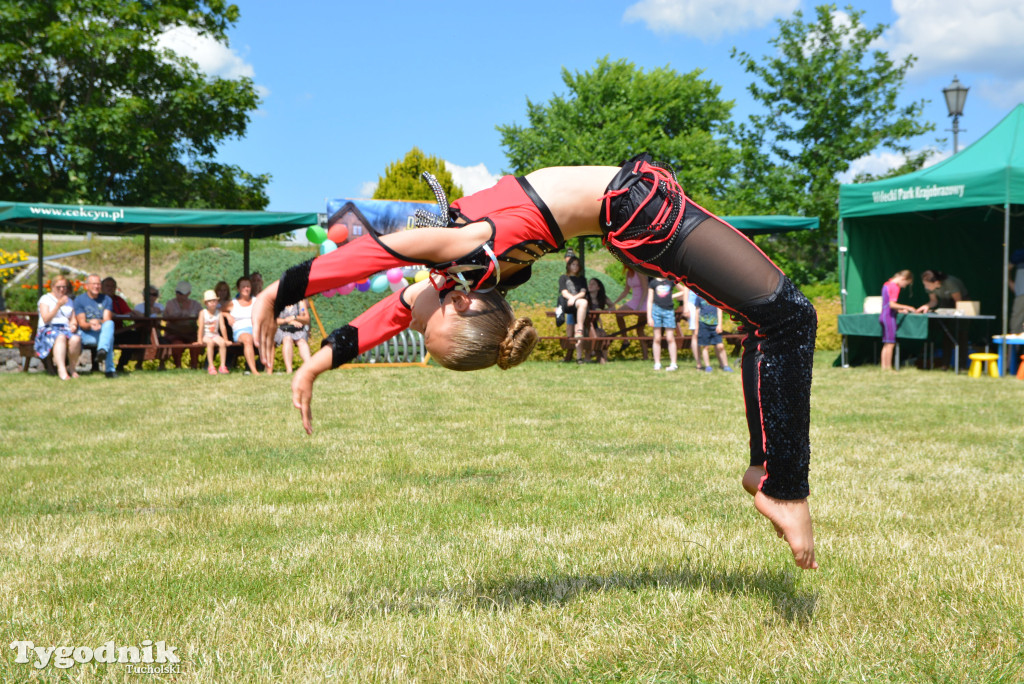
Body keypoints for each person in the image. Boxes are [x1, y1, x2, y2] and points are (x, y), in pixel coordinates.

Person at [255, 154, 819, 569]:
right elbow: (385, 263)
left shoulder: (461, 264)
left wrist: (309, 356)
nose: (414, 315)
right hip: (636, 206)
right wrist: (280, 295)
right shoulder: (472, 255)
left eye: (423, 329)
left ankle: (768, 472)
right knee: (787, 319)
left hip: (632, 204)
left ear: (456, 302)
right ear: (460, 306)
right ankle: (780, 485)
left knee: (775, 323)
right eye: (429, 330)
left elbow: (383, 295)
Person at [35, 276, 81, 379]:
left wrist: (73, 324)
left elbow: (73, 318)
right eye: (58, 287)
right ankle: (62, 369)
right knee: (60, 337)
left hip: (65, 328)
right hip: (48, 329)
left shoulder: (69, 300)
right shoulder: (45, 299)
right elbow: (46, 318)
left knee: (76, 339)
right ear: (52, 287)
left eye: (64, 287)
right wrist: (58, 305)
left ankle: (72, 368)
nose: (62, 289)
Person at [73, 273, 116, 377]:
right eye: (93, 284)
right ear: (87, 285)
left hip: (101, 332)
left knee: (110, 324)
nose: (96, 286)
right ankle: (109, 370)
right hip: (85, 334)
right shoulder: (79, 300)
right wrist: (91, 324)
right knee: (108, 338)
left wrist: (99, 322)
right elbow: (82, 323)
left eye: (98, 284)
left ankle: (102, 350)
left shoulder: (106, 299)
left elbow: (106, 319)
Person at [879, 270, 917, 371]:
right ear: (903, 279)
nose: (904, 286)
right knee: (890, 343)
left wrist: (899, 310)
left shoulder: (887, 284)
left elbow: (887, 304)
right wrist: (908, 307)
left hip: (884, 315)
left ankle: (884, 367)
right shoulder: (895, 287)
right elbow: (891, 304)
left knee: (887, 343)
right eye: (906, 284)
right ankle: (888, 368)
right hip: (889, 317)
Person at [162, 281, 202, 369]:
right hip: (174, 333)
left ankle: (194, 367)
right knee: (177, 344)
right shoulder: (170, 303)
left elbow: (203, 316)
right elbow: (165, 317)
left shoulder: (196, 304)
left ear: (188, 293)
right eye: (178, 293)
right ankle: (178, 367)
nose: (179, 295)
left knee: (195, 344)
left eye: (182, 293)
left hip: (191, 333)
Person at [225, 276, 260, 375]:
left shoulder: (256, 301)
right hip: (241, 331)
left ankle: (267, 369)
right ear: (238, 289)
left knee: (267, 339)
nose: (246, 288)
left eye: (248, 286)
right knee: (248, 339)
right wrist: (226, 314)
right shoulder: (233, 303)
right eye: (243, 286)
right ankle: (254, 370)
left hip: (255, 329)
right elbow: (217, 311)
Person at [558, 256, 590, 363]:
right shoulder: (563, 278)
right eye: (573, 264)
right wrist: (571, 298)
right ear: (568, 266)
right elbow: (563, 292)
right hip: (569, 307)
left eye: (577, 264)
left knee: (578, 332)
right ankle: (569, 356)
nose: (575, 267)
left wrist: (574, 298)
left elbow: (583, 292)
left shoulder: (582, 279)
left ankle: (579, 358)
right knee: (569, 332)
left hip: (579, 308)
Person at [646, 276, 682, 371]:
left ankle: (673, 363)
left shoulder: (670, 280)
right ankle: (657, 363)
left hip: (669, 311)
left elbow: (683, 290)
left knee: (670, 338)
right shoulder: (653, 283)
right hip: (656, 310)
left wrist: (673, 296)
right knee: (657, 338)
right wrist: (649, 317)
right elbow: (649, 300)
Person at [610, 265, 648, 349]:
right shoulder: (628, 273)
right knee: (618, 314)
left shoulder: (639, 272)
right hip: (634, 301)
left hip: (643, 301)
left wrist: (640, 306)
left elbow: (645, 289)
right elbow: (626, 291)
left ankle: (646, 356)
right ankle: (625, 339)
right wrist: (614, 303)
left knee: (639, 330)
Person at [694, 294, 734, 373]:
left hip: (715, 325)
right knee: (705, 347)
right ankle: (708, 366)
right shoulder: (699, 297)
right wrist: (696, 327)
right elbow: (697, 312)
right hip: (703, 325)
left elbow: (719, 310)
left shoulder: (714, 295)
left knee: (720, 346)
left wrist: (720, 324)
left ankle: (725, 365)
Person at [275, 299, 312, 374]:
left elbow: (306, 319)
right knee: (287, 339)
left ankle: (310, 366)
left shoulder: (300, 303)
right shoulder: (279, 303)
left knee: (302, 341)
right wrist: (288, 321)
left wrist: (295, 317)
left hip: (298, 329)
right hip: (284, 330)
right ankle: (289, 370)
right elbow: (274, 320)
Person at [198, 290, 230, 375]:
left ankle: (222, 365)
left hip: (215, 334)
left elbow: (223, 327)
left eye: (214, 301)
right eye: (209, 301)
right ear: (206, 303)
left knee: (222, 343)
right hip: (206, 335)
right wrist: (199, 340)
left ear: (217, 302)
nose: (212, 303)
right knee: (210, 343)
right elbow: (200, 327)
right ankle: (211, 366)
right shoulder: (203, 313)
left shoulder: (219, 313)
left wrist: (226, 339)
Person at [586, 278, 611, 364]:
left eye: (593, 284)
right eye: (589, 284)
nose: (590, 285)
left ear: (598, 287)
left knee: (603, 335)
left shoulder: (602, 298)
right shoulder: (585, 297)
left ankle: (604, 357)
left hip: (595, 324)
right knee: (596, 334)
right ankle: (590, 355)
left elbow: (612, 307)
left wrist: (603, 311)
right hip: (585, 325)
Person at [1009, 250, 1024, 333]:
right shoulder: (1019, 255)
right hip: (1022, 294)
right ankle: (1012, 346)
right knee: (1016, 325)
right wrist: (1009, 282)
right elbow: (1007, 268)